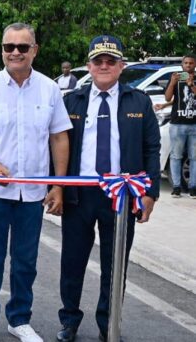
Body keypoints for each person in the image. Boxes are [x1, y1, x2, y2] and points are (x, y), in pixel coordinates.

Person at [0, 22, 71, 342]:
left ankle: (19, 318)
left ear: (34, 50)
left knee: (26, 260)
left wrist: (59, 185)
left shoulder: (50, 89)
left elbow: (59, 138)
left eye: (22, 47)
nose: (14, 52)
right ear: (1, 50)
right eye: (8, 47)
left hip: (33, 192)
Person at [56, 35, 160, 342]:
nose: (104, 66)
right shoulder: (72, 100)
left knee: (115, 267)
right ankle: (69, 321)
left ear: (121, 66)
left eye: (110, 61)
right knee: (72, 263)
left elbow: (151, 147)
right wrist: (57, 187)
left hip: (121, 196)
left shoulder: (138, 101)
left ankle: (108, 323)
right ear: (88, 65)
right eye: (98, 61)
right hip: (79, 194)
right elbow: (58, 146)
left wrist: (150, 192)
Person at [163, 54, 196, 198]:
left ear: (195, 65)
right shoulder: (175, 78)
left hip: (194, 124)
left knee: (194, 157)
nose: (188, 65)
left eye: (191, 63)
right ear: (182, 65)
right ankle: (176, 187)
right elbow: (168, 98)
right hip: (177, 124)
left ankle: (193, 187)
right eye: (186, 63)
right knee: (176, 156)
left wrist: (191, 85)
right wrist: (171, 83)